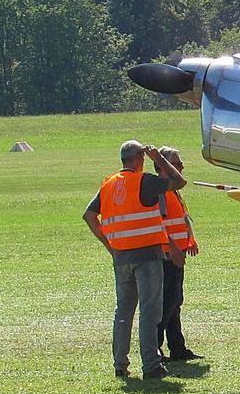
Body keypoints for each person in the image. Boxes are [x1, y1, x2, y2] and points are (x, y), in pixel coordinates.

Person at [84, 140, 185, 379]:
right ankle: (151, 365)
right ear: (140, 158)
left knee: (123, 312)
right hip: (148, 255)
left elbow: (89, 215)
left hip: (121, 257)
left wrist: (109, 244)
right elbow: (180, 182)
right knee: (150, 312)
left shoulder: (109, 184)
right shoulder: (144, 180)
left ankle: (120, 365)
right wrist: (158, 159)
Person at [156, 154, 202, 362]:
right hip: (167, 255)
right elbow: (159, 223)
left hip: (176, 254)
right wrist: (174, 247)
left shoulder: (173, 191)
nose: (182, 166)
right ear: (164, 166)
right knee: (167, 301)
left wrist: (189, 240)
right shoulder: (162, 191)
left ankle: (177, 347)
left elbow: (181, 219)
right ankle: (154, 347)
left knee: (175, 301)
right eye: (177, 163)